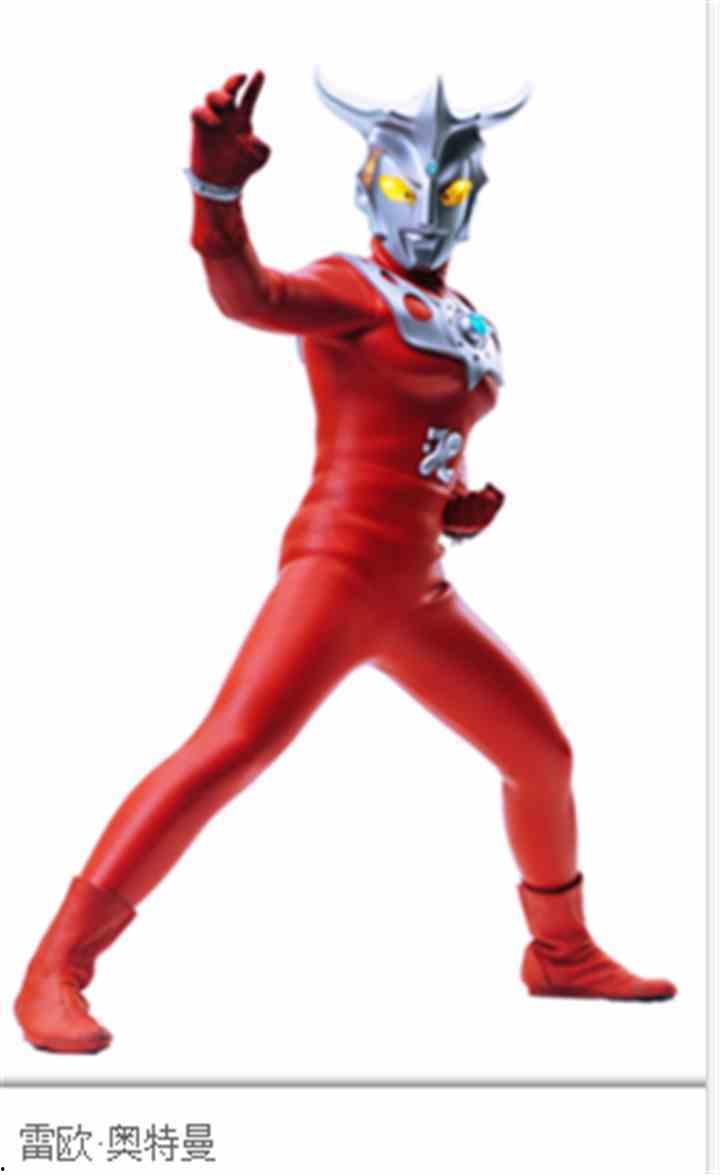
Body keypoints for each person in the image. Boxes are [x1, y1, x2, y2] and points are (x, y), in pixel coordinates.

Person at [15, 69, 676, 1055]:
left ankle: (562, 952)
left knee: (542, 757)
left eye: (449, 192)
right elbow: (250, 295)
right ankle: (55, 967)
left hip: (417, 590)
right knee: (229, 748)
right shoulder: (350, 290)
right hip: (338, 569)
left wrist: (454, 504)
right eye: (408, 188)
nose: (427, 212)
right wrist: (218, 192)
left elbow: (422, 438)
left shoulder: (461, 315)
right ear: (371, 184)